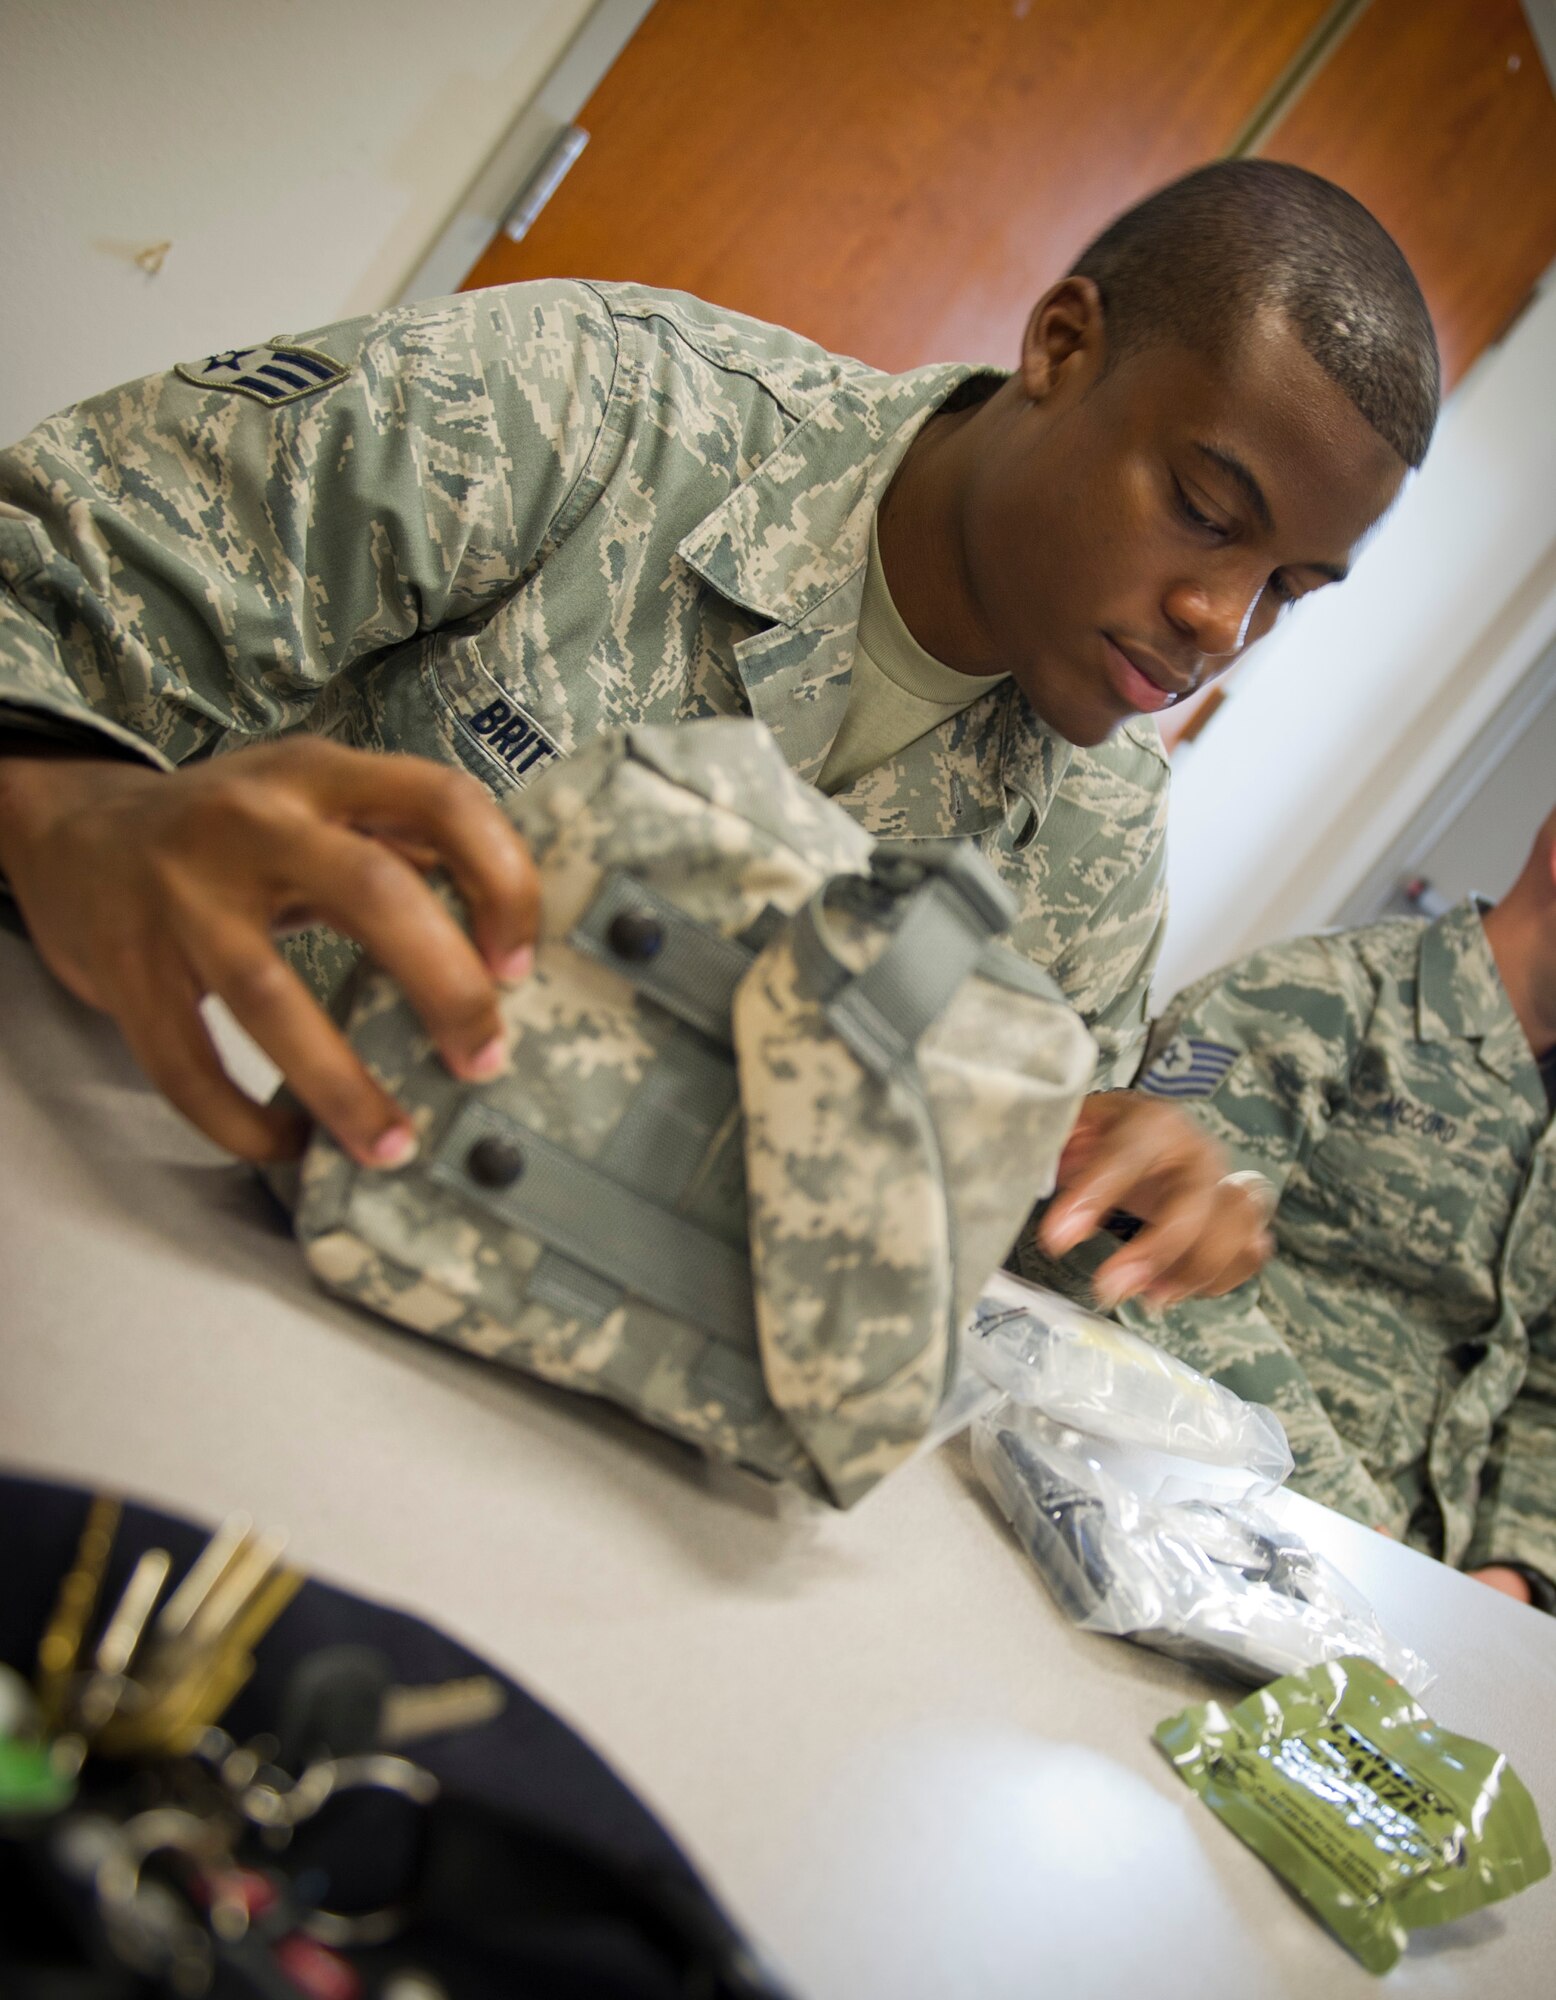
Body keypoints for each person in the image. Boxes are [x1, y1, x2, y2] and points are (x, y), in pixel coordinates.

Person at [0, 161, 1433, 1307]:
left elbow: (963, 1238)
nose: (1218, 622)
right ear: (1062, 346)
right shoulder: (596, 411)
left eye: (1290, 591)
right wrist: (74, 806)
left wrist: (1122, 1209)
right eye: (1205, 510)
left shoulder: (1101, 835)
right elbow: (40, 577)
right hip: (139, 1185)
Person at [1054, 806, 1556, 1607]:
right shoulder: (1317, 1000)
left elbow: (1540, 1380)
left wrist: (1517, 1577)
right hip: (1208, 1534)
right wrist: (1365, 1539)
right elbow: (1159, 1273)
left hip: (1433, 1595)